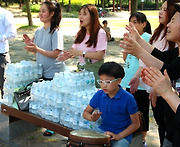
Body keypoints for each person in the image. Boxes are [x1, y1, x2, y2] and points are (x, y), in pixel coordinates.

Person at [120, 1, 180, 146]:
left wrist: (138, 51)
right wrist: (138, 40)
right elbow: (160, 57)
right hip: (174, 124)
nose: (168, 25)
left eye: (173, 21)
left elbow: (168, 70)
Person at [23, 1, 65, 136]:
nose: (40, 14)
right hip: (42, 70)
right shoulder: (39, 30)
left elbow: (55, 53)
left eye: (43, 11)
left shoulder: (56, 32)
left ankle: (52, 126)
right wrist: (31, 47)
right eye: (39, 11)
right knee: (44, 98)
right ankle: (46, 123)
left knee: (53, 100)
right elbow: (38, 51)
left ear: (52, 14)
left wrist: (37, 49)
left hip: (55, 72)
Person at [83, 62, 140, 147]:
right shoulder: (99, 95)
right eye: (101, 81)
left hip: (121, 134)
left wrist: (118, 136)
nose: (103, 85)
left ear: (119, 81)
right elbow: (85, 113)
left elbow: (136, 124)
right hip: (102, 131)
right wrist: (92, 117)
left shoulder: (128, 99)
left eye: (108, 82)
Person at [57, 4, 107, 88]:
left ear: (93, 17)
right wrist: (68, 55)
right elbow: (74, 50)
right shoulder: (80, 33)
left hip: (94, 72)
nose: (81, 17)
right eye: (80, 14)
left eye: (84, 14)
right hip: (81, 71)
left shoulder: (100, 33)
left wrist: (81, 53)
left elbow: (100, 55)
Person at [120, 12, 152, 147]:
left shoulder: (147, 38)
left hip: (141, 83)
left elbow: (147, 60)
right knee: (129, 112)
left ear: (143, 24)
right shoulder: (130, 37)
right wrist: (127, 44)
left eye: (135, 22)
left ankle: (142, 140)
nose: (132, 25)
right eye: (130, 22)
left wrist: (137, 76)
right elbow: (125, 59)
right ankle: (131, 137)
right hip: (128, 79)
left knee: (142, 112)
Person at [0, 6, 17, 99]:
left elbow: (13, 33)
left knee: (5, 89)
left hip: (1, 55)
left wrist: (0, 37)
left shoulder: (5, 14)